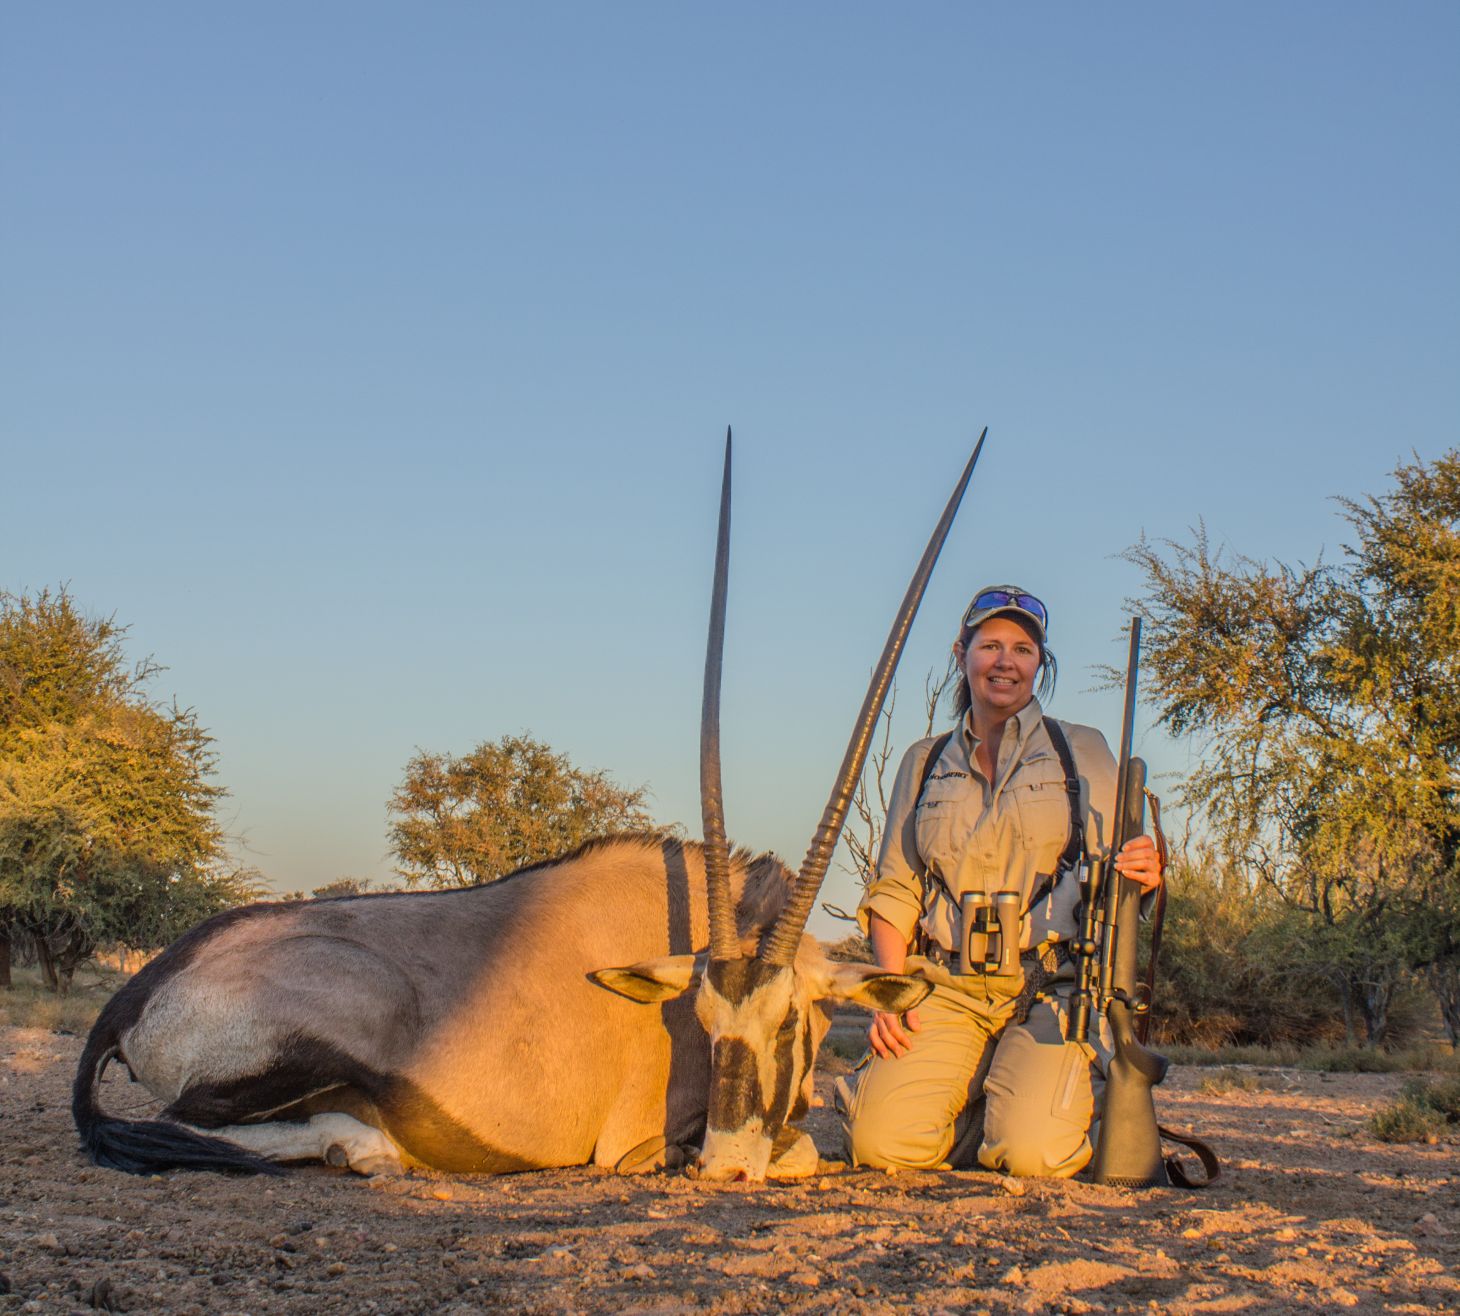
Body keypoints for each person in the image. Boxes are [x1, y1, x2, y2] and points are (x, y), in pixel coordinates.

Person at [838, 585, 1163, 1178]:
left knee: (1031, 1155)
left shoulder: (1084, 749)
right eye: (989, 645)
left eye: (1022, 648)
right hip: (946, 988)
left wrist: (1148, 867)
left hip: (1051, 989)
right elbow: (895, 890)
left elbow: (1127, 877)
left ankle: (1038, 1106)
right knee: (880, 1148)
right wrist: (887, 991)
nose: (1005, 662)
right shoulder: (923, 759)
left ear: (1040, 662)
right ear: (961, 653)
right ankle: (987, 1102)